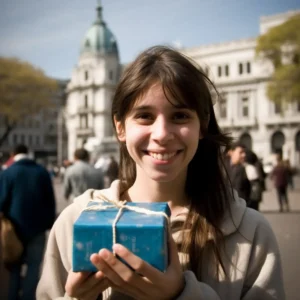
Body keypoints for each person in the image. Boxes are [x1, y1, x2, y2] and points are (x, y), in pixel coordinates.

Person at [37, 46, 285, 299]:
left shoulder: (250, 232)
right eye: (144, 116)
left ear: (203, 125)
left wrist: (180, 294)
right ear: (119, 127)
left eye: (179, 116)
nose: (162, 134)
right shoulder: (74, 222)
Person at [0, 144, 56, 300]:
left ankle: (12, 295)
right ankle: (28, 296)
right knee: (33, 265)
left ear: (13, 154)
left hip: (13, 229)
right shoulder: (41, 172)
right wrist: (49, 223)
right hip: (38, 228)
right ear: (28, 153)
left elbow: (2, 201)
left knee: (13, 264)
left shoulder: (8, 172)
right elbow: (50, 200)